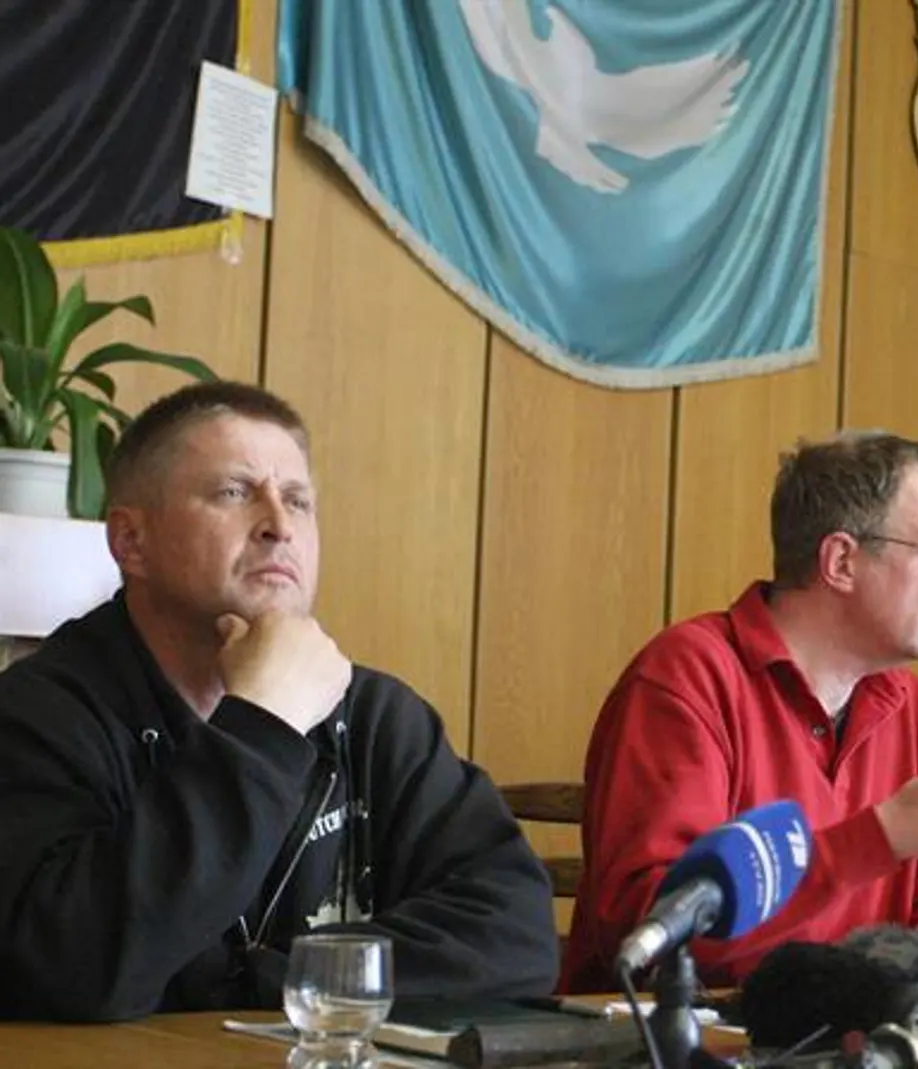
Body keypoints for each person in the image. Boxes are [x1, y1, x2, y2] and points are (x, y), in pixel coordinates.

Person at [0, 382, 558, 1021]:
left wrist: (253, 982)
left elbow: (515, 937)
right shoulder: (37, 716)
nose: (279, 525)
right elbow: (70, 966)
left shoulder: (377, 716)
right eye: (234, 493)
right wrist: (264, 726)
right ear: (131, 541)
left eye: (298, 500)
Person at [561, 432, 918, 994]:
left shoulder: (910, 708)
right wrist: (878, 839)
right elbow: (654, 931)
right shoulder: (686, 676)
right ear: (841, 562)